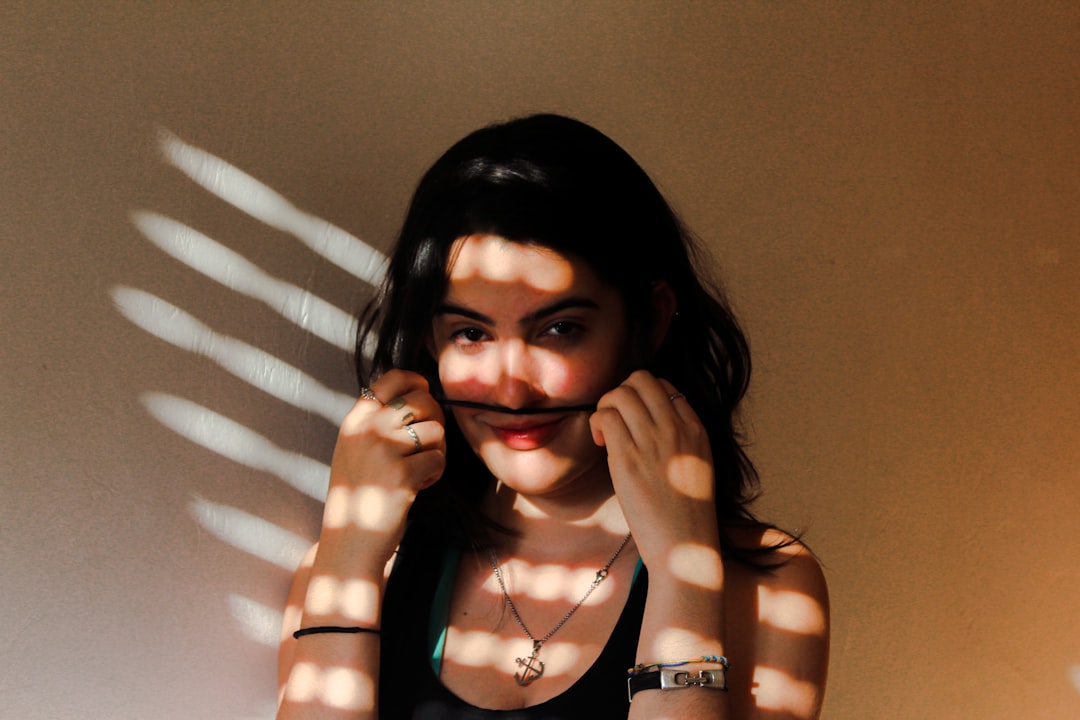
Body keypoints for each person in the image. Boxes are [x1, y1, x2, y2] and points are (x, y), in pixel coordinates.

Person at [276, 114, 829, 720]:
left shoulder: (767, 587)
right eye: (470, 333)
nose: (512, 390)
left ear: (648, 322)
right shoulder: (356, 569)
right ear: (431, 341)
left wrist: (682, 574)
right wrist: (349, 555)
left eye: (560, 328)